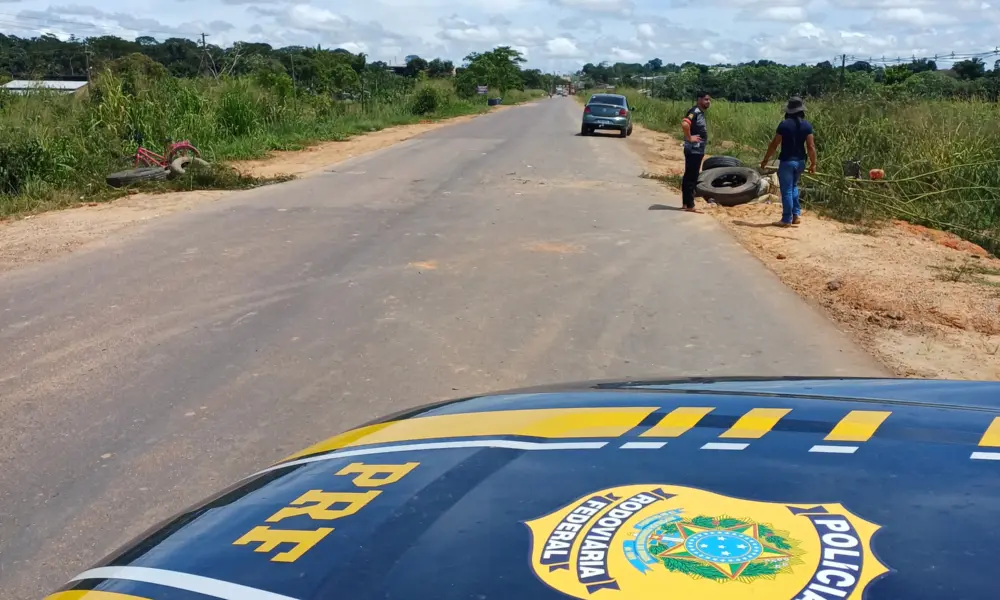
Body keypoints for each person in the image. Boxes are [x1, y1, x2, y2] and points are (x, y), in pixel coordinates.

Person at [760, 96, 817, 227]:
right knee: (793, 187)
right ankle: (796, 215)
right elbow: (811, 146)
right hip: (800, 162)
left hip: (787, 162)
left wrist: (765, 160)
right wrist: (813, 163)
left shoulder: (784, 125)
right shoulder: (807, 125)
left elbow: (774, 144)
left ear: (789, 111)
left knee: (786, 190)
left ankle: (786, 219)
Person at [680, 91, 711, 213]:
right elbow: (685, 124)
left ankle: (685, 203)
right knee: (692, 177)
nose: (708, 102)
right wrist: (689, 138)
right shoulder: (695, 111)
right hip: (694, 150)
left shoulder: (699, 112)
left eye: (709, 100)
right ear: (699, 100)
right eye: (706, 99)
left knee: (689, 175)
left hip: (696, 149)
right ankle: (690, 205)